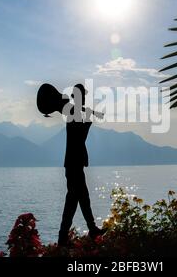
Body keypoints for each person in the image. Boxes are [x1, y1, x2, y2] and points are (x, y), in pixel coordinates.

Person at [58, 84, 105, 246]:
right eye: (81, 96)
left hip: (75, 163)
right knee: (74, 200)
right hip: (73, 164)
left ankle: (89, 230)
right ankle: (64, 237)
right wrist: (91, 117)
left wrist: (90, 115)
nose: (84, 98)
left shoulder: (76, 111)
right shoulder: (72, 112)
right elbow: (81, 132)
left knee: (80, 198)